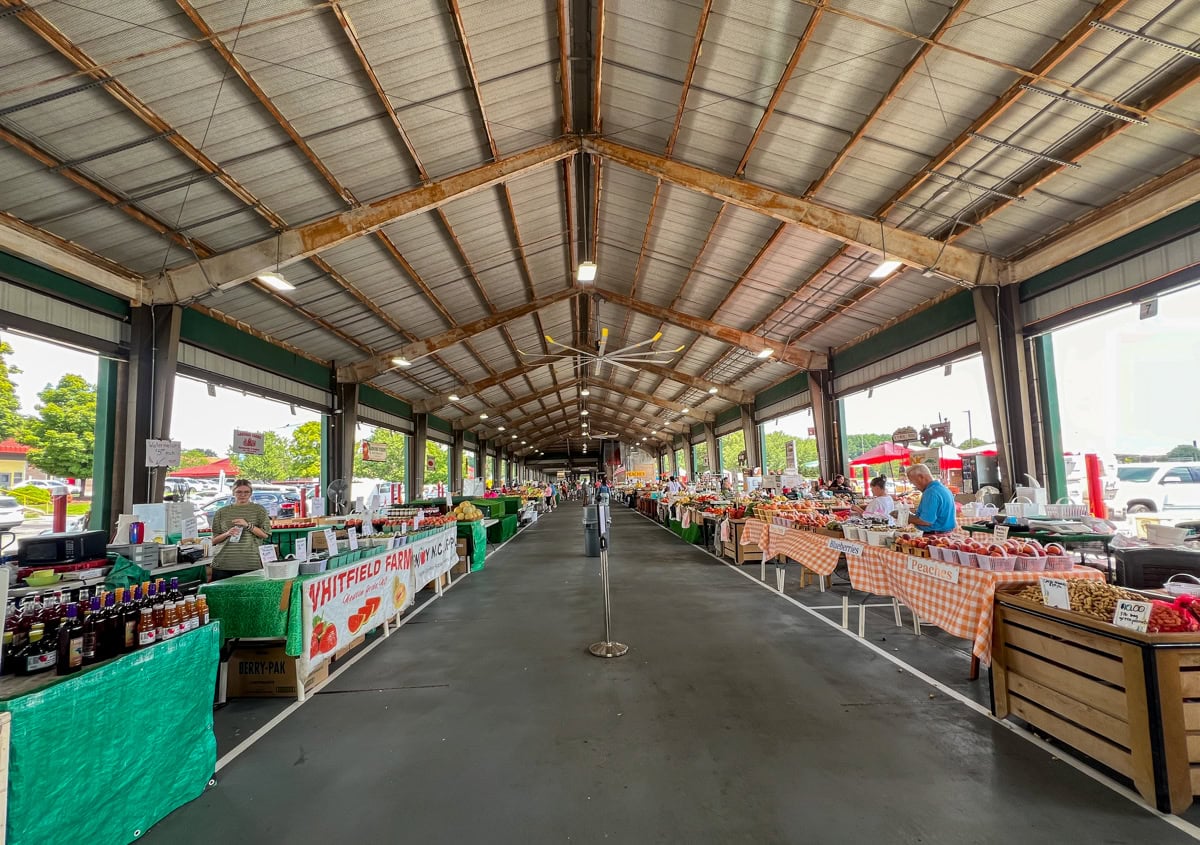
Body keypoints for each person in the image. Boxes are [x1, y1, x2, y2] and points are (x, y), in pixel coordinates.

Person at [210, 478, 273, 580]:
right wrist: (227, 533)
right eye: (239, 492)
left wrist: (248, 525)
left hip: (250, 562)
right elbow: (214, 540)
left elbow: (265, 535)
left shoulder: (259, 510)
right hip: (223, 563)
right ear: (233, 493)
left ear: (251, 493)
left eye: (246, 492)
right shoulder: (221, 512)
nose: (243, 495)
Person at [905, 464, 956, 534]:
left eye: (912, 481)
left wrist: (904, 516)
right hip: (946, 533)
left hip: (933, 535)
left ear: (921, 477)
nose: (913, 485)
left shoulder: (930, 492)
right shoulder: (943, 488)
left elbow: (926, 521)